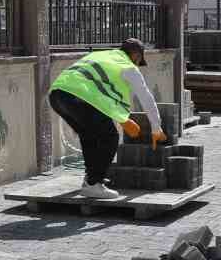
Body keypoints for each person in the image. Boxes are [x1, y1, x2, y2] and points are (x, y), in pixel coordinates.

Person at [48, 38, 165, 200]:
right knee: (110, 137)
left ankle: (90, 180)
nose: (138, 65)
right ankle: (94, 183)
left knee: (88, 135)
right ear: (136, 56)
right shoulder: (128, 66)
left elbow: (100, 92)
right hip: (81, 97)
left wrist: (122, 119)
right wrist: (156, 128)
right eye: (139, 61)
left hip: (57, 95)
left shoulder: (101, 55)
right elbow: (145, 97)